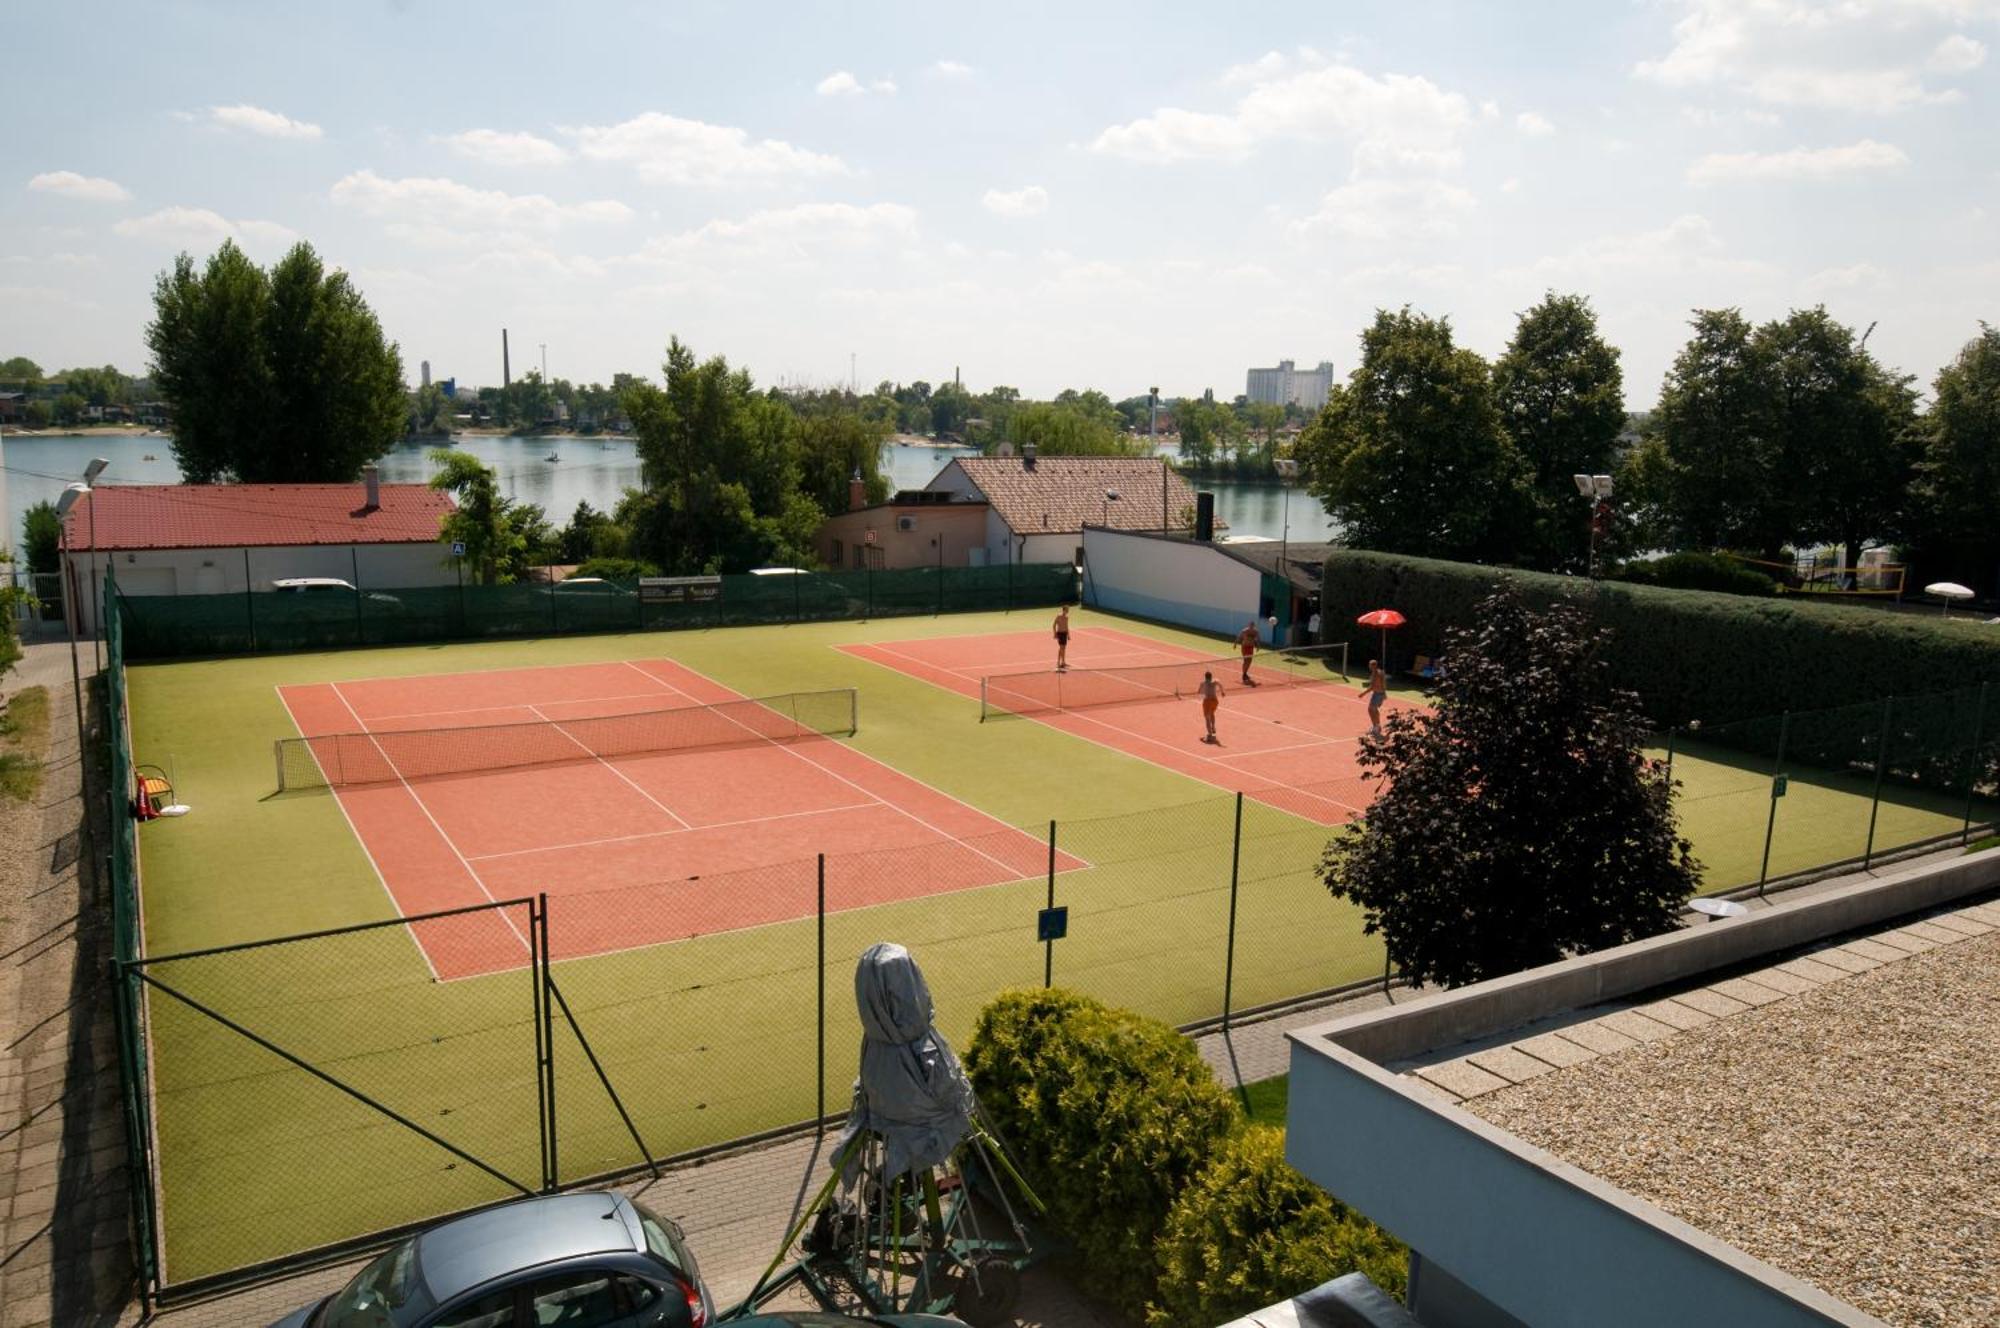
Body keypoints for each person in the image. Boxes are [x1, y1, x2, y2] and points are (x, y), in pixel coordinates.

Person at [1361, 658, 1387, 736]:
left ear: (1373, 666)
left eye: (1370, 664)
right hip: (1380, 694)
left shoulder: (1375, 674)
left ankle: (1375, 728)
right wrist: (1384, 694)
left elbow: (1372, 687)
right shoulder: (1381, 672)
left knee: (1370, 710)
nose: (1369, 666)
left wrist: (1363, 693)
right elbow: (1383, 684)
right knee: (1374, 710)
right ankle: (1377, 726)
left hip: (1377, 695)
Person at [1197, 670, 1224, 743]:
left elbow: (1199, 692)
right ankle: (1213, 727)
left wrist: (1201, 697)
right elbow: (1220, 685)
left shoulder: (1203, 683)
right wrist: (1222, 692)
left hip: (1207, 701)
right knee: (1212, 714)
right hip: (1215, 701)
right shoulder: (1215, 681)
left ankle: (1209, 734)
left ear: (1205, 677)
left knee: (1207, 718)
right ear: (1211, 676)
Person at [1053, 605, 1071, 670]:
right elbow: (1054, 625)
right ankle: (1058, 662)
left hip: (1065, 634)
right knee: (1061, 647)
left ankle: (1063, 662)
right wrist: (1055, 634)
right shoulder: (1058, 616)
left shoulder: (1067, 617)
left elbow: (1066, 626)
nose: (1068, 611)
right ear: (1064, 610)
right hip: (1060, 633)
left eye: (1068, 610)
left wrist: (1068, 635)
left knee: (1064, 648)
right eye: (1067, 609)